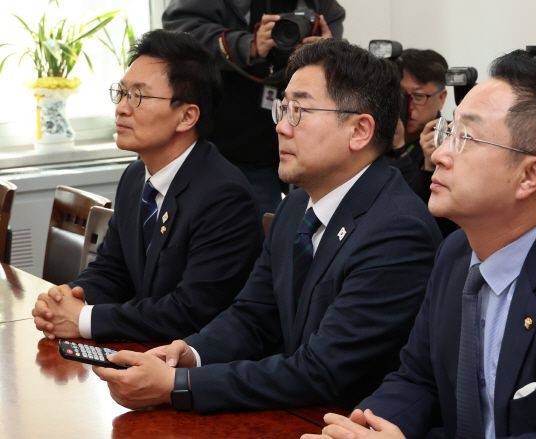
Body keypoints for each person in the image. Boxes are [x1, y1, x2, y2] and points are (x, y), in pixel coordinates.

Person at [303, 50, 536, 439]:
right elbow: (417, 378)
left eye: (465, 138)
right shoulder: (455, 253)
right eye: (448, 131)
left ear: (531, 175)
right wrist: (363, 429)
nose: (440, 154)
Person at [92, 39, 442, 413]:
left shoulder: (397, 232)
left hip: (344, 422)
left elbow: (321, 371)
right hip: (291, 412)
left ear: (359, 130)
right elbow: (253, 316)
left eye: (300, 111)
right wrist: (191, 353)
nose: (281, 128)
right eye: (282, 109)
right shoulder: (295, 206)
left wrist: (179, 385)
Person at [31, 30, 263, 342]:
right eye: (121, 93)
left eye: (138, 96)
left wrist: (84, 319)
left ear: (187, 116)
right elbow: (113, 270)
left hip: (191, 362)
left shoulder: (224, 196)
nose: (121, 108)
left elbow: (190, 312)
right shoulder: (134, 177)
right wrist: (66, 300)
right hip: (143, 351)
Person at [162, 0, 346, 215]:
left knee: (269, 228)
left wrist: (325, 54)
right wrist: (247, 45)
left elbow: (337, 57)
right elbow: (178, 31)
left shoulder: (323, 6)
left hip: (274, 154)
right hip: (211, 146)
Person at [386, 49, 457, 237]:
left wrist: (426, 165)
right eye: (401, 95)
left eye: (418, 97)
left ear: (441, 98)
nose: (408, 106)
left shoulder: (452, 141)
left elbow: (423, 217)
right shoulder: (378, 134)